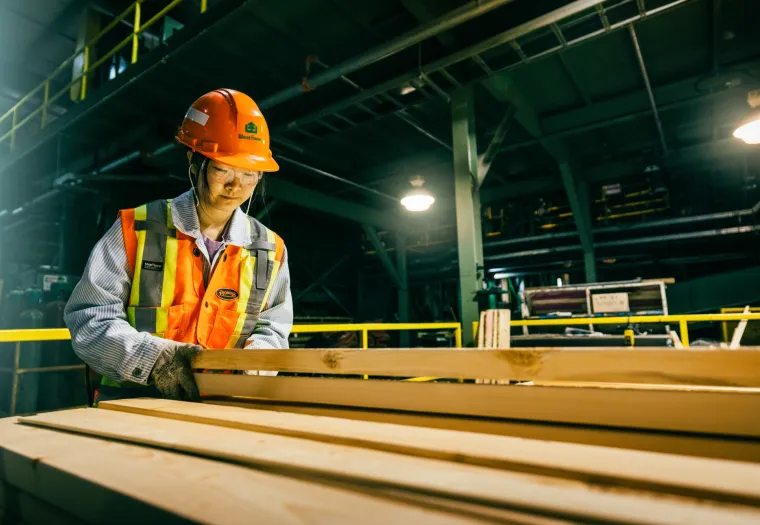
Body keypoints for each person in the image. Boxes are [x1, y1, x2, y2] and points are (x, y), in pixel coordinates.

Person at [64, 88, 293, 404]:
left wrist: (257, 361)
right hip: (133, 410)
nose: (236, 185)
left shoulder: (270, 250)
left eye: (249, 173)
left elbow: (274, 331)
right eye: (222, 169)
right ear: (193, 161)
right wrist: (155, 359)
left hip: (226, 410)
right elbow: (90, 317)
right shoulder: (137, 229)